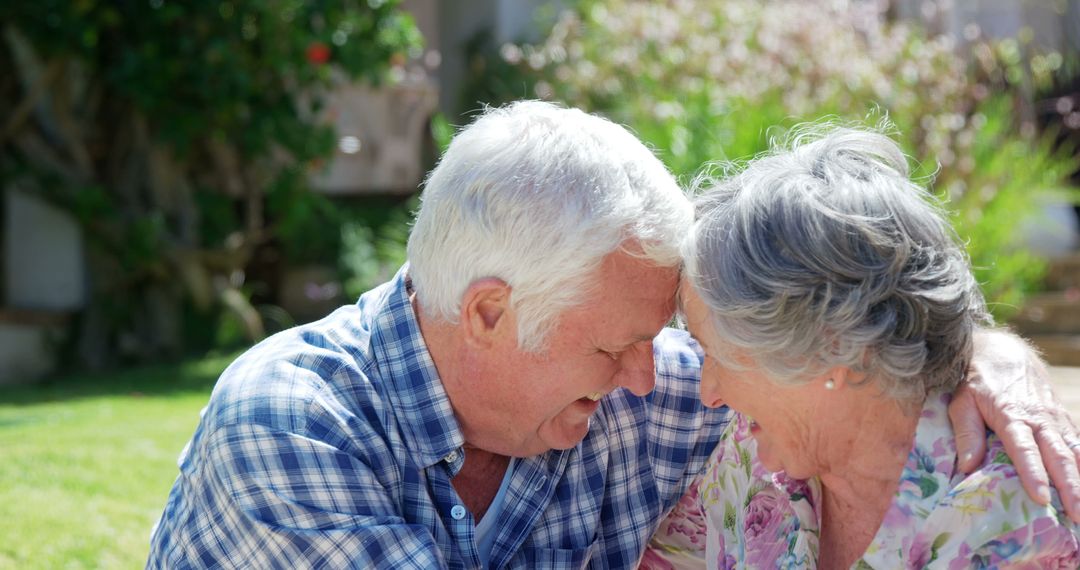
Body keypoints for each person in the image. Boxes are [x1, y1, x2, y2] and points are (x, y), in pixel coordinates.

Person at [147, 102, 1077, 569]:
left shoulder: (658, 397)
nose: (657, 374)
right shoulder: (291, 426)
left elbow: (850, 312)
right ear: (487, 313)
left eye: (668, 337)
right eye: (615, 347)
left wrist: (978, 353)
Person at [644, 126, 1080, 569]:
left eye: (718, 356)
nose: (709, 392)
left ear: (828, 346)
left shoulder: (1010, 523)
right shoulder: (749, 456)